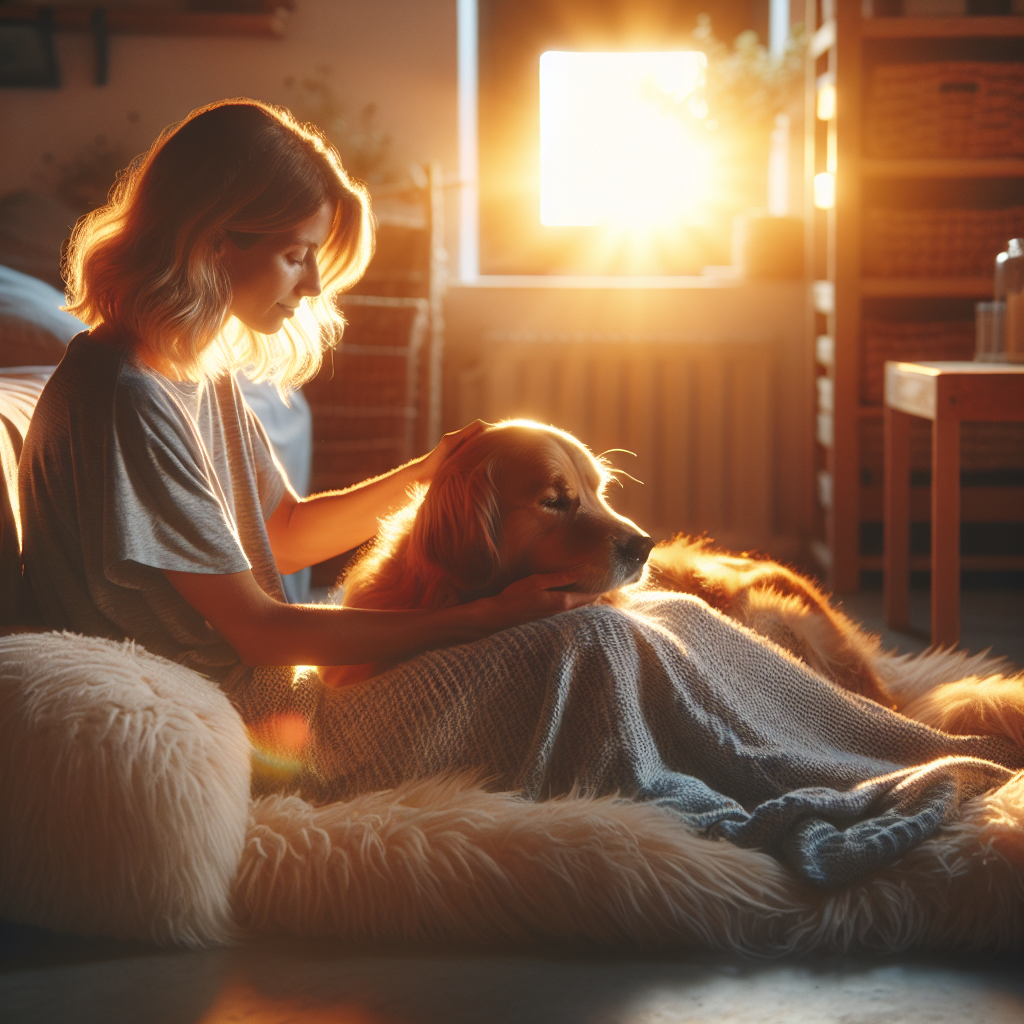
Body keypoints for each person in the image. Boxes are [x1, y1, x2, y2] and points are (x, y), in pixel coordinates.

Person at [19, 98, 593, 700]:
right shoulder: (128, 400)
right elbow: (258, 633)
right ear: (211, 241)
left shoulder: (193, 369)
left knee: (601, 639)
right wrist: (481, 618)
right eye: (295, 256)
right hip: (210, 708)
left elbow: (285, 536)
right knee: (579, 653)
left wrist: (426, 474)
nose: (315, 285)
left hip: (253, 688)